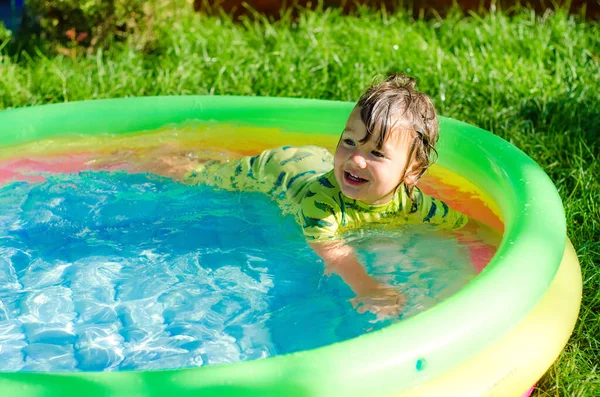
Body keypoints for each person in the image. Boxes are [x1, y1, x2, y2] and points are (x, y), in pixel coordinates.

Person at [91, 74, 474, 319]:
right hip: (281, 172)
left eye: (376, 153)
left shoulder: (412, 202)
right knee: (202, 177)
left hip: (309, 160)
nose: (355, 157)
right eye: (349, 141)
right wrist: (367, 286)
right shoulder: (321, 202)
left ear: (411, 174)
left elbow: (460, 226)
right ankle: (152, 159)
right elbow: (333, 250)